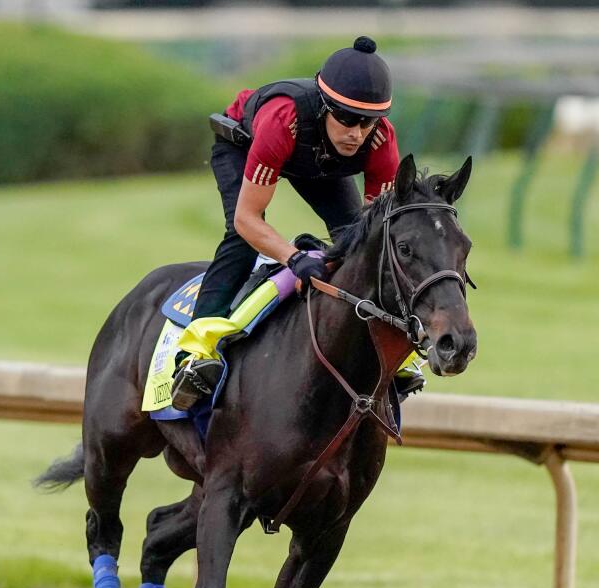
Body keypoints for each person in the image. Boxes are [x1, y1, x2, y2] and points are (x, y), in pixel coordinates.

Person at [170, 35, 424, 412]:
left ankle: (386, 351)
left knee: (358, 241)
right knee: (240, 240)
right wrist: (294, 259)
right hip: (244, 143)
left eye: (368, 122)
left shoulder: (380, 141)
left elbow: (375, 238)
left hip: (318, 158)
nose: (356, 133)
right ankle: (195, 352)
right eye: (347, 119)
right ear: (324, 107)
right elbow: (247, 219)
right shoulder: (283, 119)